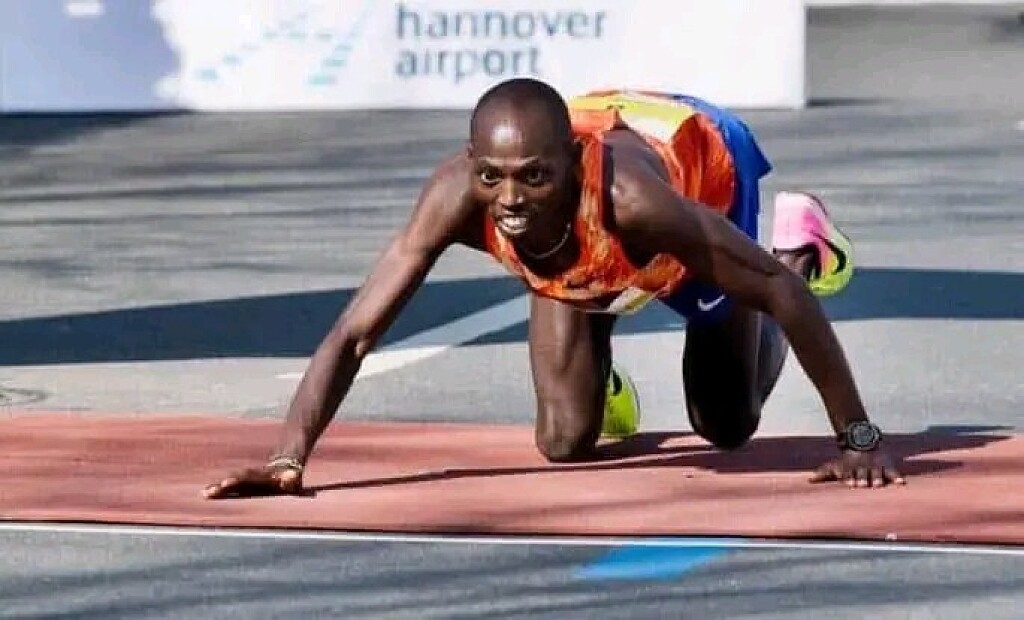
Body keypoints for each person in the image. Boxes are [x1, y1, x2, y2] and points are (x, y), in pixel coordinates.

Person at [204, 78, 905, 499]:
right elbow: (356, 333)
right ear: (472, 164)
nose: (511, 200)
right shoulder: (458, 196)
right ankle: (602, 378)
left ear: (570, 163)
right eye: (493, 177)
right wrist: (287, 460)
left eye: (534, 178)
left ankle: (803, 241)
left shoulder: (636, 203)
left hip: (700, 173)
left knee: (726, 423)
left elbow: (777, 293)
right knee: (565, 441)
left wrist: (859, 437)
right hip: (587, 250)